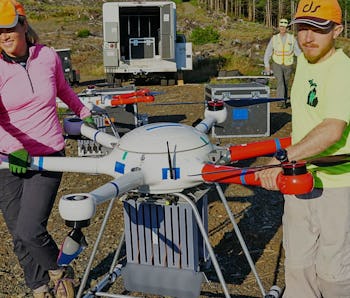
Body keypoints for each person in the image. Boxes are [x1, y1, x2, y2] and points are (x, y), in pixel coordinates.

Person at [0, 0, 95, 297]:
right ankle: (39, 287)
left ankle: (59, 272)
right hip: (8, 160)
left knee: (30, 229)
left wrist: (84, 112)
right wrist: (13, 147)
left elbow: (63, 90)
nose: (3, 35)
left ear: (24, 25)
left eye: (8, 27)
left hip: (48, 157)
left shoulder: (48, 57)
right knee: (18, 235)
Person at [256, 0, 350, 297]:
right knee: (298, 268)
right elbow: (307, 124)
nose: (308, 37)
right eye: (302, 28)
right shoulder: (305, 66)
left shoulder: (343, 71)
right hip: (300, 182)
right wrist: (289, 162)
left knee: (334, 276)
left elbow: (332, 129)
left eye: (318, 29)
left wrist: (281, 159)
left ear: (337, 30)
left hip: (336, 186)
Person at [264, 18, 301, 108]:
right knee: (280, 81)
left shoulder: (292, 38)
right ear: (278, 27)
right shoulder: (274, 38)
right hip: (277, 63)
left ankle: (283, 100)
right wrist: (267, 65)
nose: (282, 28)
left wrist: (303, 63)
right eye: (281, 26)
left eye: (284, 27)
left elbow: (298, 52)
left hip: (288, 64)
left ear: (287, 28)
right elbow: (268, 52)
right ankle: (280, 102)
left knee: (285, 83)